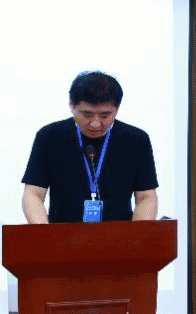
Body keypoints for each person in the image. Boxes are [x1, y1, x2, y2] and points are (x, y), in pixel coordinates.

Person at [21, 71, 158, 224]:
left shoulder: (136, 140)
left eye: (105, 115)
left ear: (117, 108)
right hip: (62, 234)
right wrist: (44, 233)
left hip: (120, 235)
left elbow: (146, 197)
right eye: (87, 115)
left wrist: (138, 235)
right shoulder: (49, 137)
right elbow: (33, 194)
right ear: (72, 105)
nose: (95, 123)